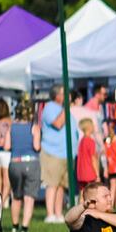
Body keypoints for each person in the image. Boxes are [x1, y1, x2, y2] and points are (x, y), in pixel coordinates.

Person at [8, 100, 41, 232]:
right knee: (29, 197)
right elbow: (36, 146)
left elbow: (7, 146)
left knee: (16, 196)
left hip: (14, 162)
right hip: (31, 162)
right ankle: (24, 228)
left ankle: (14, 226)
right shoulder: (34, 127)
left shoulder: (12, 126)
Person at [37, 88, 70, 221]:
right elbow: (58, 124)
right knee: (52, 184)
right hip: (52, 152)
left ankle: (58, 213)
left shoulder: (61, 108)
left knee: (61, 185)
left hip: (64, 153)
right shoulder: (50, 107)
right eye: (64, 93)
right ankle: (50, 214)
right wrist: (66, 107)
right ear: (56, 95)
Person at [74, 117, 101, 192]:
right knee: (91, 193)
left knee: (83, 193)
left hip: (81, 173)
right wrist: (97, 174)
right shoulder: (90, 141)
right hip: (89, 173)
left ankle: (80, 204)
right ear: (89, 127)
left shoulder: (82, 141)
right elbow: (93, 159)